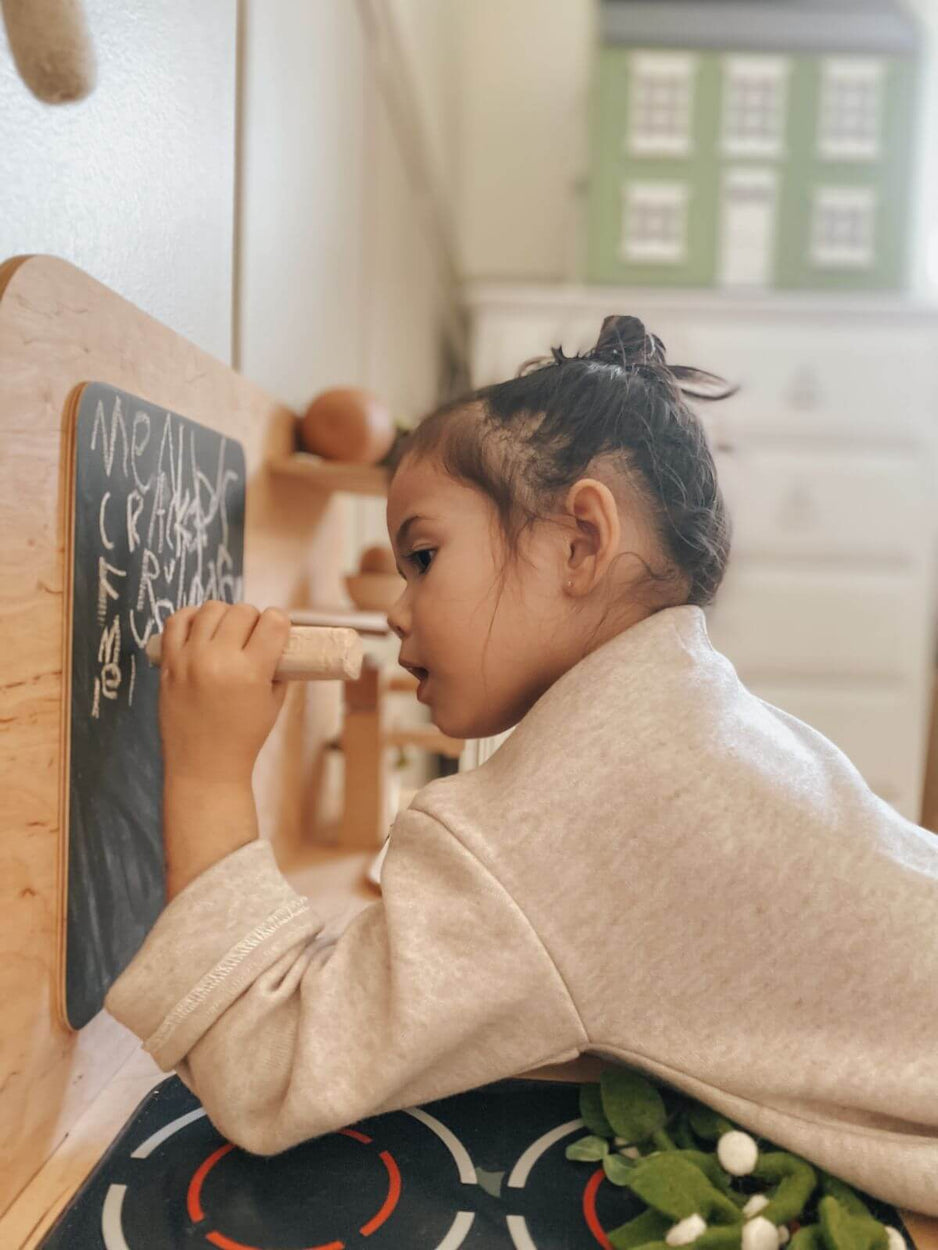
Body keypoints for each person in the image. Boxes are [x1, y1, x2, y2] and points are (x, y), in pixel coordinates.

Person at [106, 316, 938, 1216]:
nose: (395, 608)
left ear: (581, 541)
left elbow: (265, 1069)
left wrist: (206, 771)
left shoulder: (578, 808)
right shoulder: (695, 711)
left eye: (423, 557)